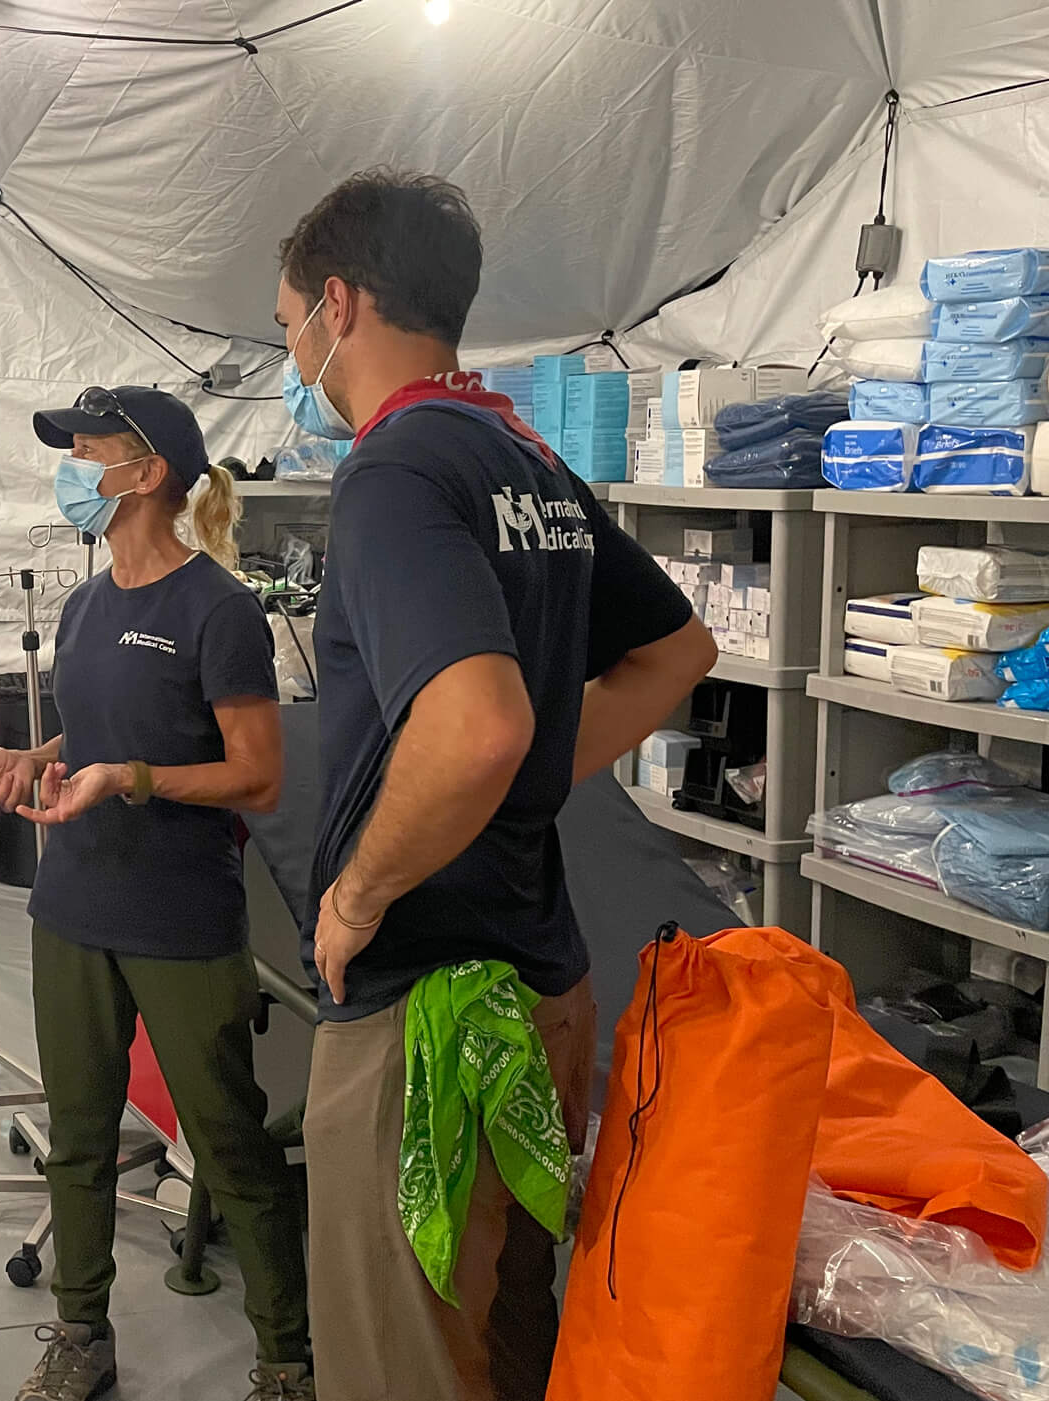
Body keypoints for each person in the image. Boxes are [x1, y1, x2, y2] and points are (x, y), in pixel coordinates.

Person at [275, 170, 717, 1400]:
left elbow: (473, 726)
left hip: (425, 1011)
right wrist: (528, 766)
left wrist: (359, 893)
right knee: (516, 1330)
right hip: (545, 986)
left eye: (287, 324)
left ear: (339, 305)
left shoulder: (395, 472)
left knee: (404, 1355)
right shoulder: (521, 460)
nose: (293, 352)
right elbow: (680, 650)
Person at [0, 386, 313, 1401]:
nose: (70, 468)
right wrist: (35, 758)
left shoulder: (217, 609)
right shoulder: (84, 606)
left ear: (146, 473)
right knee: (76, 1138)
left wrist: (132, 781)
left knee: (229, 1141)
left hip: (177, 922)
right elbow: (105, 727)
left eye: (86, 452)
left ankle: (283, 1357)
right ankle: (80, 1332)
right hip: (71, 915)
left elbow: (257, 776)